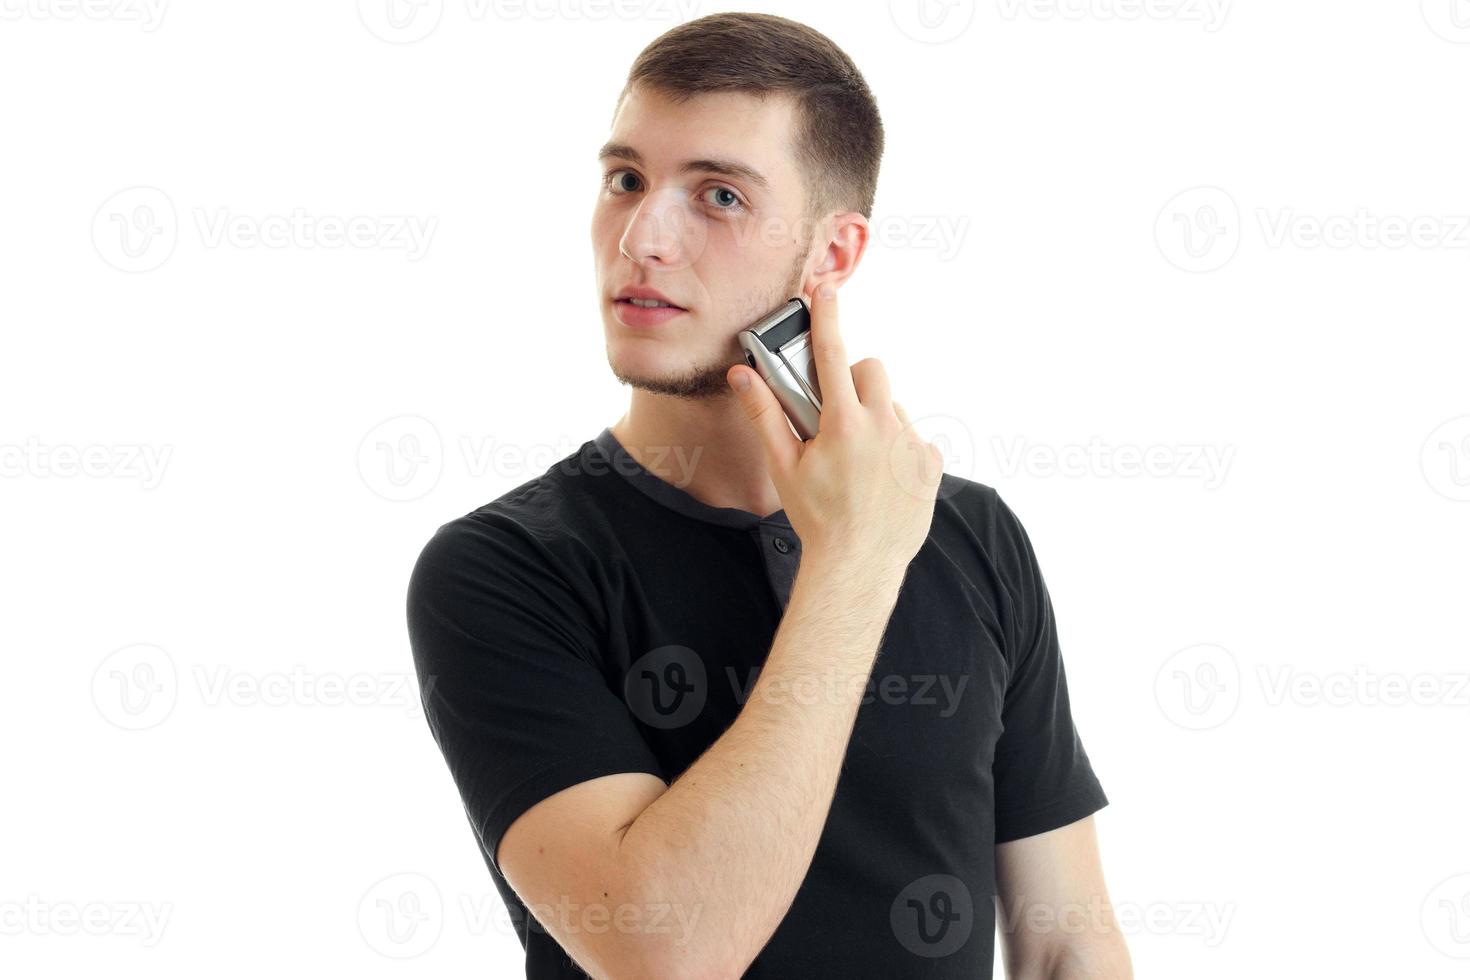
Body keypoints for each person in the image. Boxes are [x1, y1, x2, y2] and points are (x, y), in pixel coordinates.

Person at [406, 12, 1131, 978]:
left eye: (717, 196)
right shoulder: (505, 569)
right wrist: (855, 562)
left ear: (831, 256)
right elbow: (666, 952)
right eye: (625, 179)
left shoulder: (971, 534)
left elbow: (1064, 945)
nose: (642, 238)